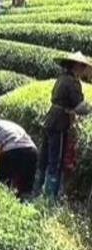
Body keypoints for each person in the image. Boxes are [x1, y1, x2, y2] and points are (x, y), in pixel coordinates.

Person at [40, 51, 92, 200]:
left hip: (50, 119)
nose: (84, 70)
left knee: (45, 157)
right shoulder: (72, 82)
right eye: (83, 66)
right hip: (59, 123)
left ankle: (38, 189)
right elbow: (79, 106)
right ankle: (49, 198)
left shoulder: (62, 78)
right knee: (55, 161)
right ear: (76, 66)